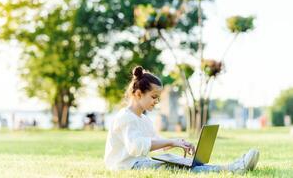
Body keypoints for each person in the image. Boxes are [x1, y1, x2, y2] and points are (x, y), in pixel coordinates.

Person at [104, 66, 260, 173]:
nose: (156, 102)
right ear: (138, 94)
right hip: (126, 166)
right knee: (178, 167)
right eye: (154, 97)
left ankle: (230, 167)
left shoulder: (144, 120)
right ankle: (232, 168)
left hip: (138, 163)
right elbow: (136, 147)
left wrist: (178, 142)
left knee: (182, 164)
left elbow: (157, 146)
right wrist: (171, 142)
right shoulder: (125, 118)